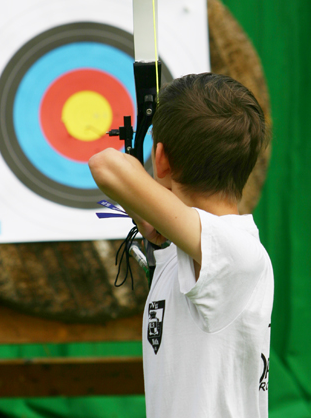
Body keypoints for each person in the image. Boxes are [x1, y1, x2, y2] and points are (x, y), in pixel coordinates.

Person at [89, 72, 274, 418]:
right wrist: (150, 217)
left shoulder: (235, 254)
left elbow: (106, 165)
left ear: (160, 159)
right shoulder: (188, 251)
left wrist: (149, 210)